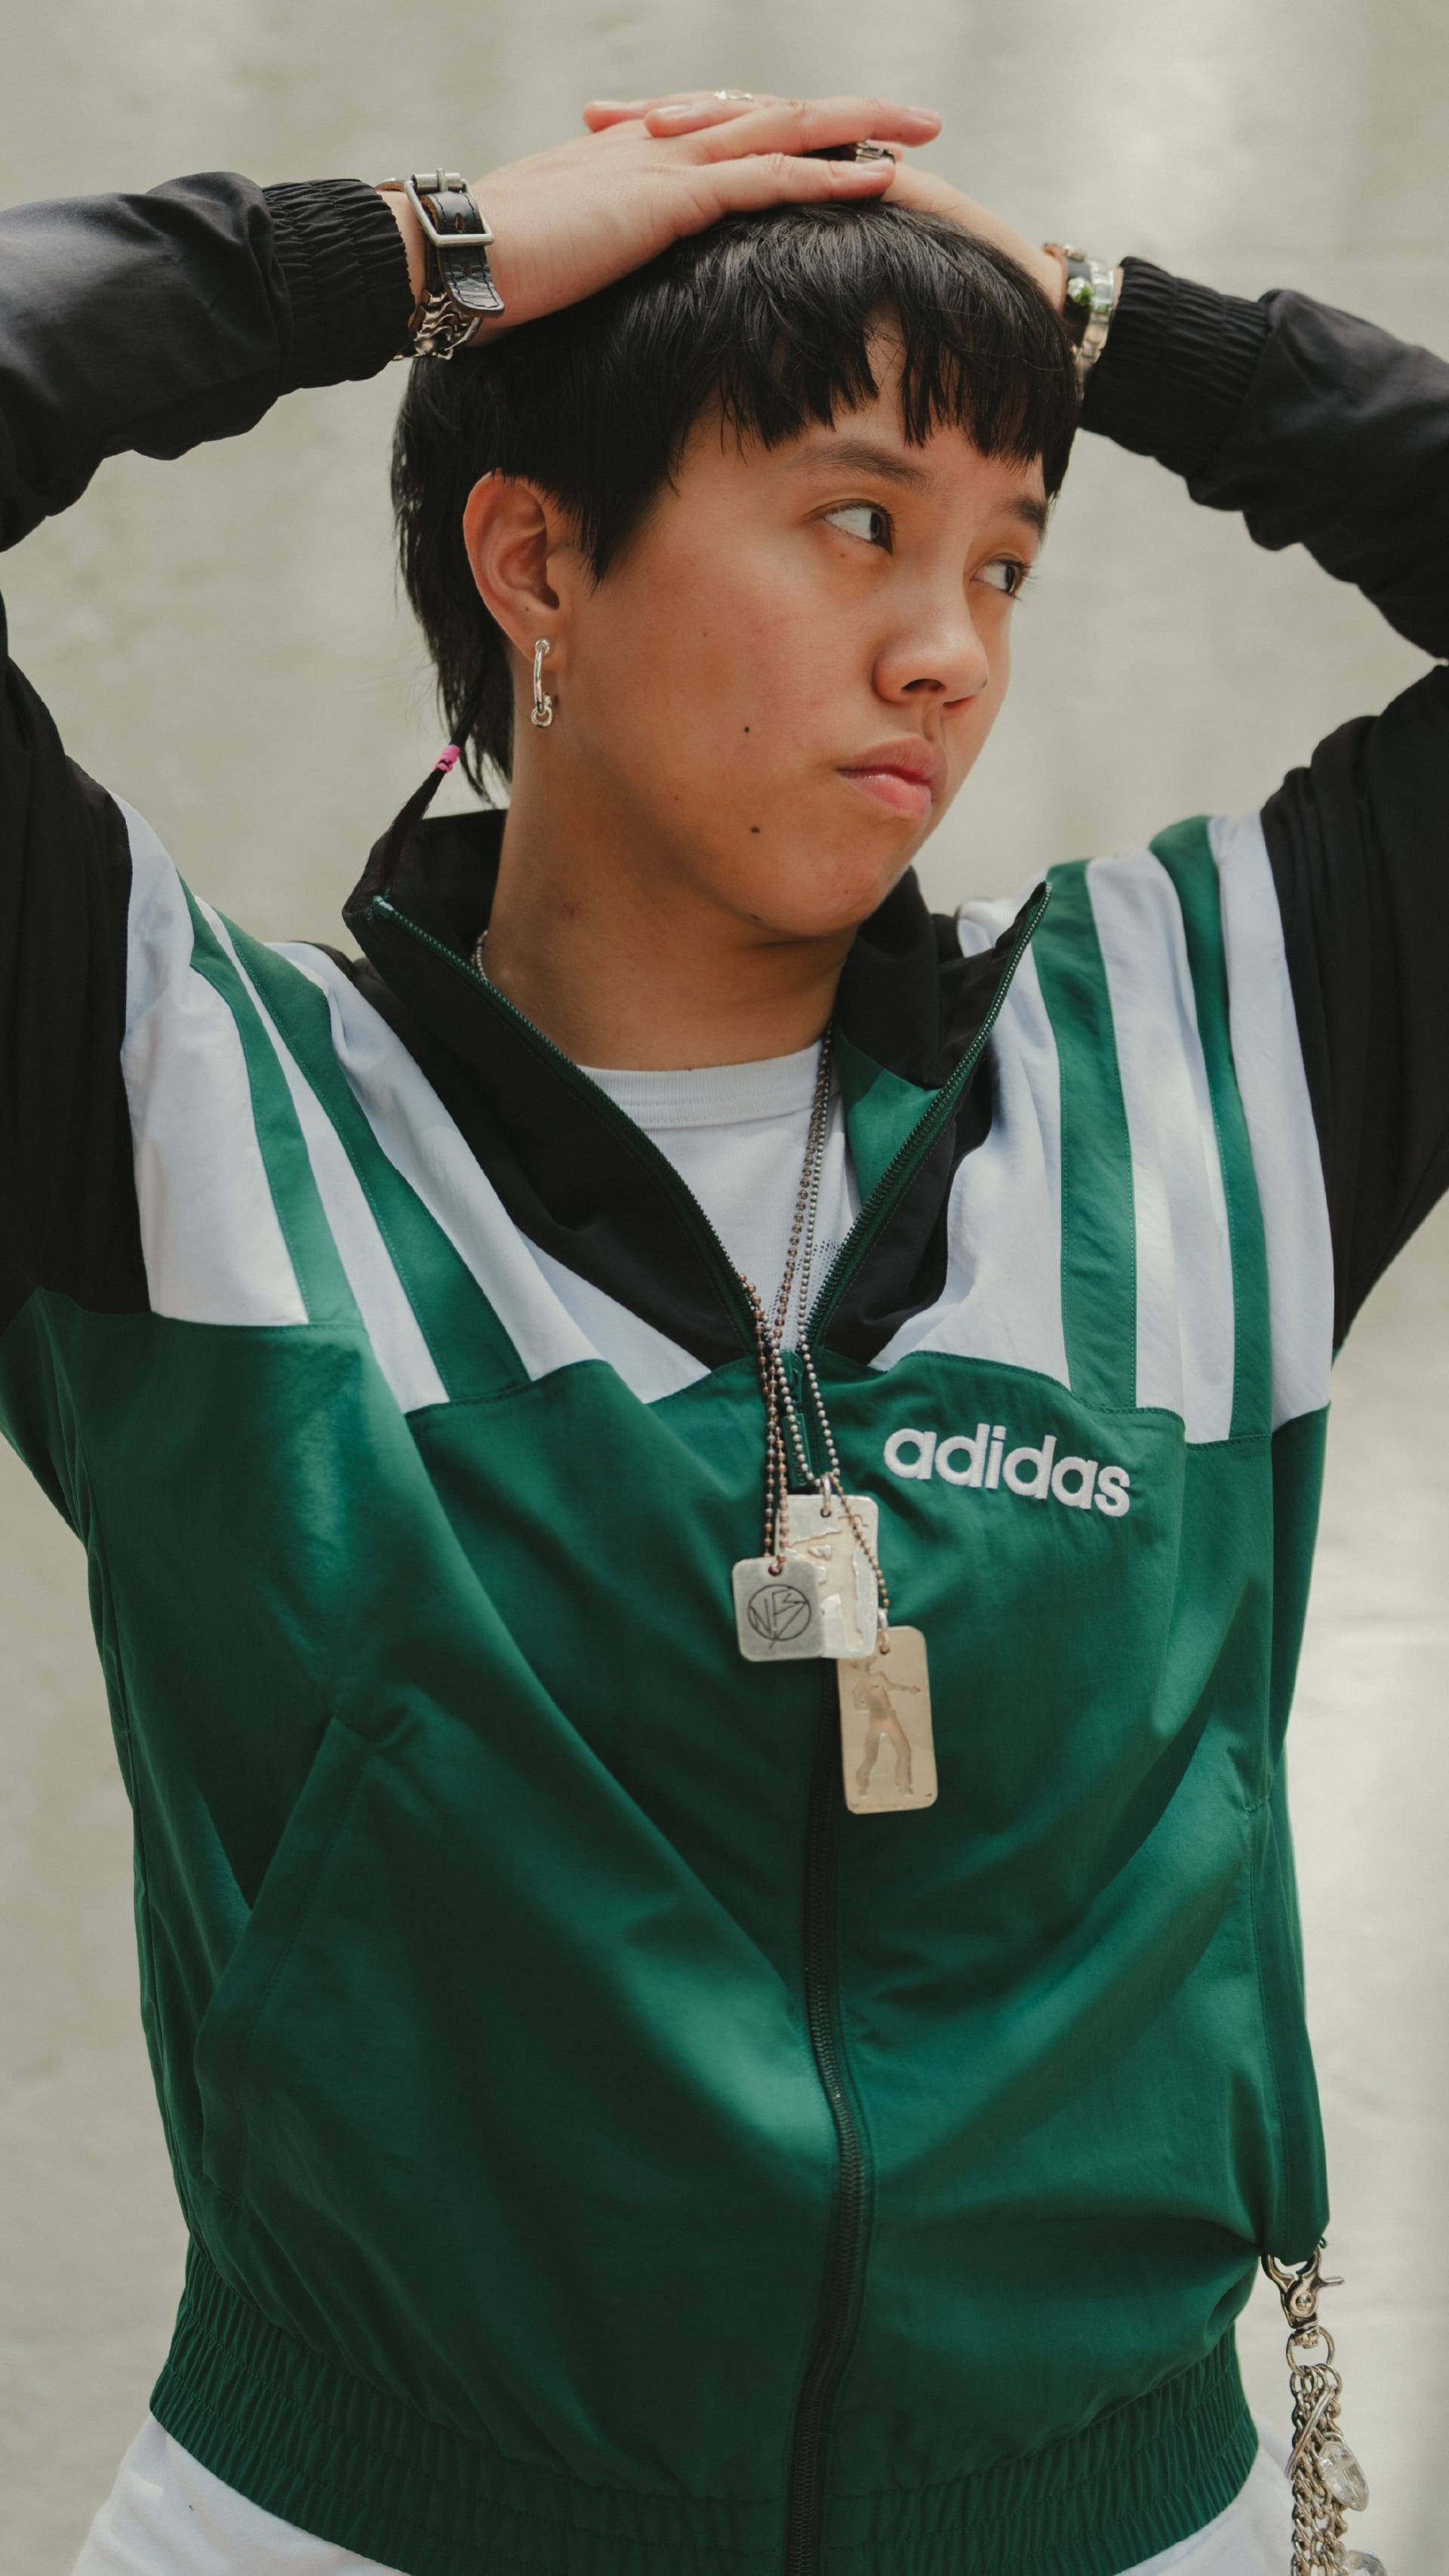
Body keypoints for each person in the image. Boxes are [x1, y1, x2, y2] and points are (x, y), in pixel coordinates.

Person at [0, 77, 1438, 2576]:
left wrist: (1104, 327)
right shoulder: (179, 1098)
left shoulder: (1218, 1048)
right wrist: (408, 249)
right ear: (537, 559)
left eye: (1008, 557)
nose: (948, 652)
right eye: (860, 521)